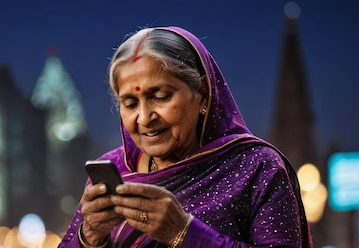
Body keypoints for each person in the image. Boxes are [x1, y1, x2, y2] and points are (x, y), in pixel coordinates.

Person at [59, 26, 312, 247]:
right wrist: (89, 238)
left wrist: (183, 232)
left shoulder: (257, 168)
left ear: (201, 93)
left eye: (160, 97)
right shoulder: (115, 170)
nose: (145, 118)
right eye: (130, 103)